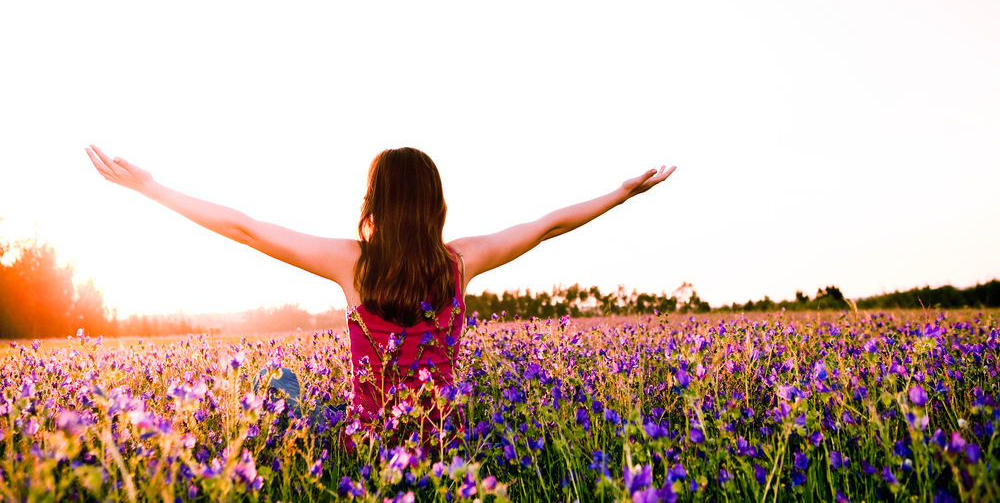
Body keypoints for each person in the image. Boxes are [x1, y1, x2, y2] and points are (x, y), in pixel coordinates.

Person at [85, 145, 675, 435]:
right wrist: (621, 194)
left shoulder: (353, 266)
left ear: (374, 204)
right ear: (435, 204)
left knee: (277, 386)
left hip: (370, 446)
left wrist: (152, 189)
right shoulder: (460, 264)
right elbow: (547, 227)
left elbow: (244, 227)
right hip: (444, 444)